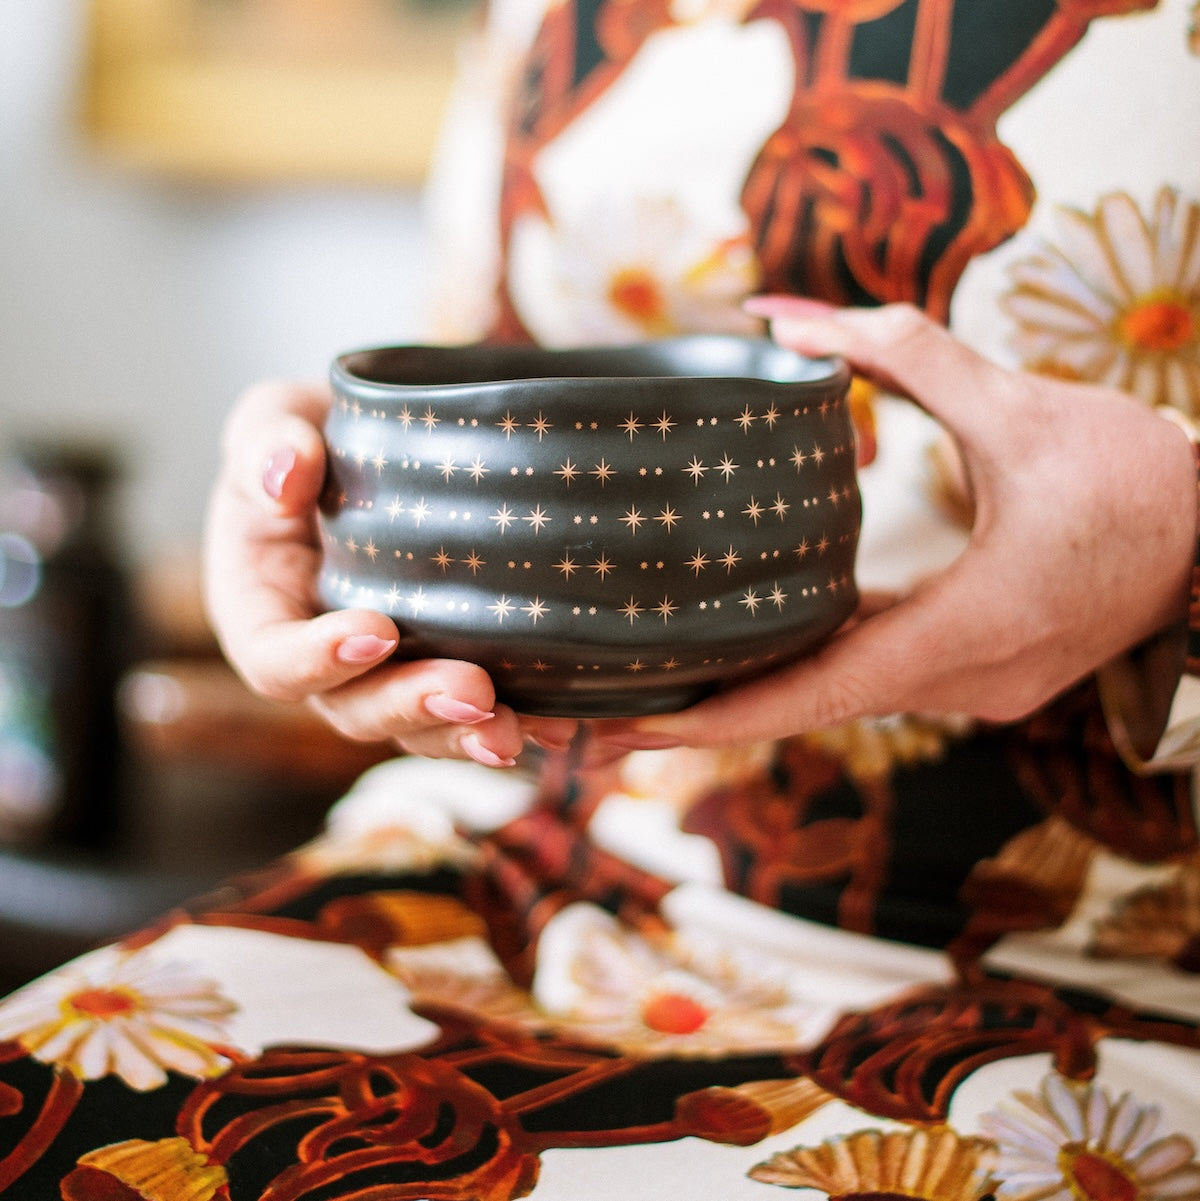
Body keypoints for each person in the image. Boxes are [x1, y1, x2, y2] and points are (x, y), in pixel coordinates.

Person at [2, 0, 1199, 1196]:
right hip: (532, 858)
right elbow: (499, 367)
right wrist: (320, 485)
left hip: (1105, 969)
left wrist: (1175, 545)